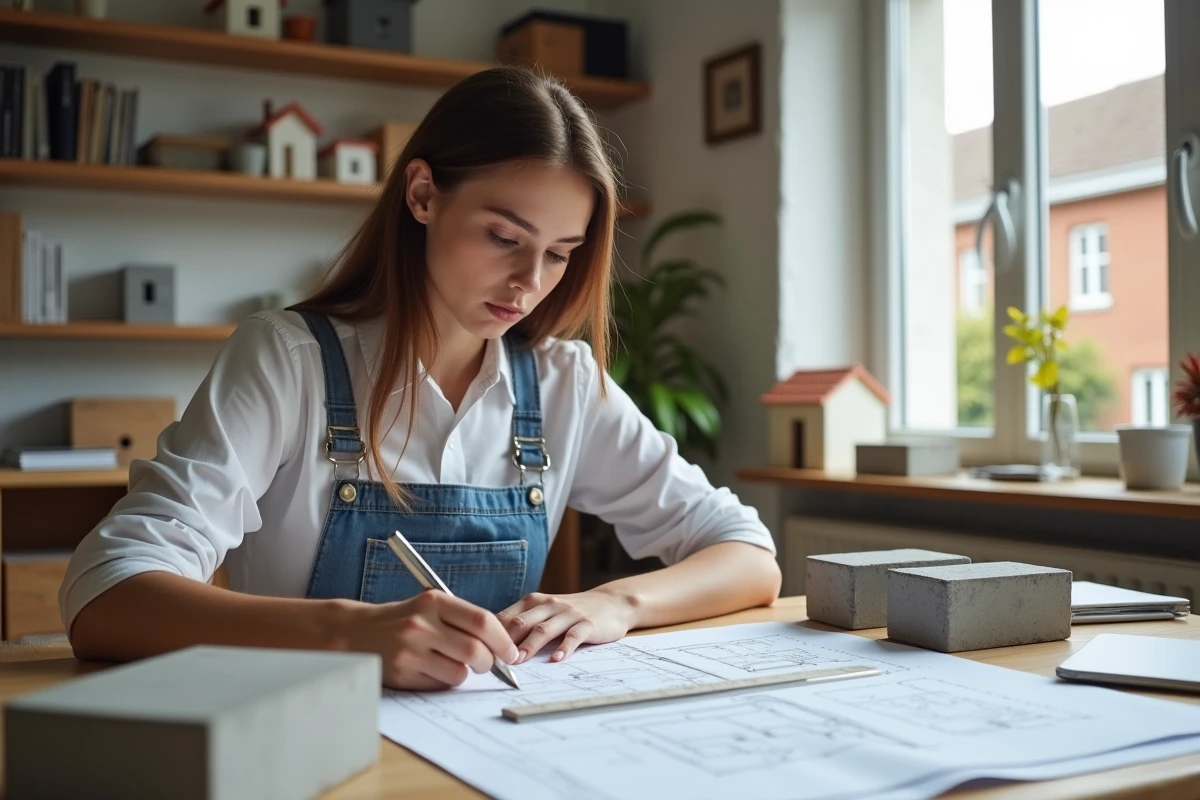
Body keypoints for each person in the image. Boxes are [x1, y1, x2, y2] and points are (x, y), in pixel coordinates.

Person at [60, 66, 781, 690]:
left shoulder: (563, 384)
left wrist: (614, 604)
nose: (530, 281)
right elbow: (105, 597)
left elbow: (747, 555)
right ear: (424, 195)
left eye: (560, 252)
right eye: (504, 237)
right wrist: (351, 634)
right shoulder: (288, 360)